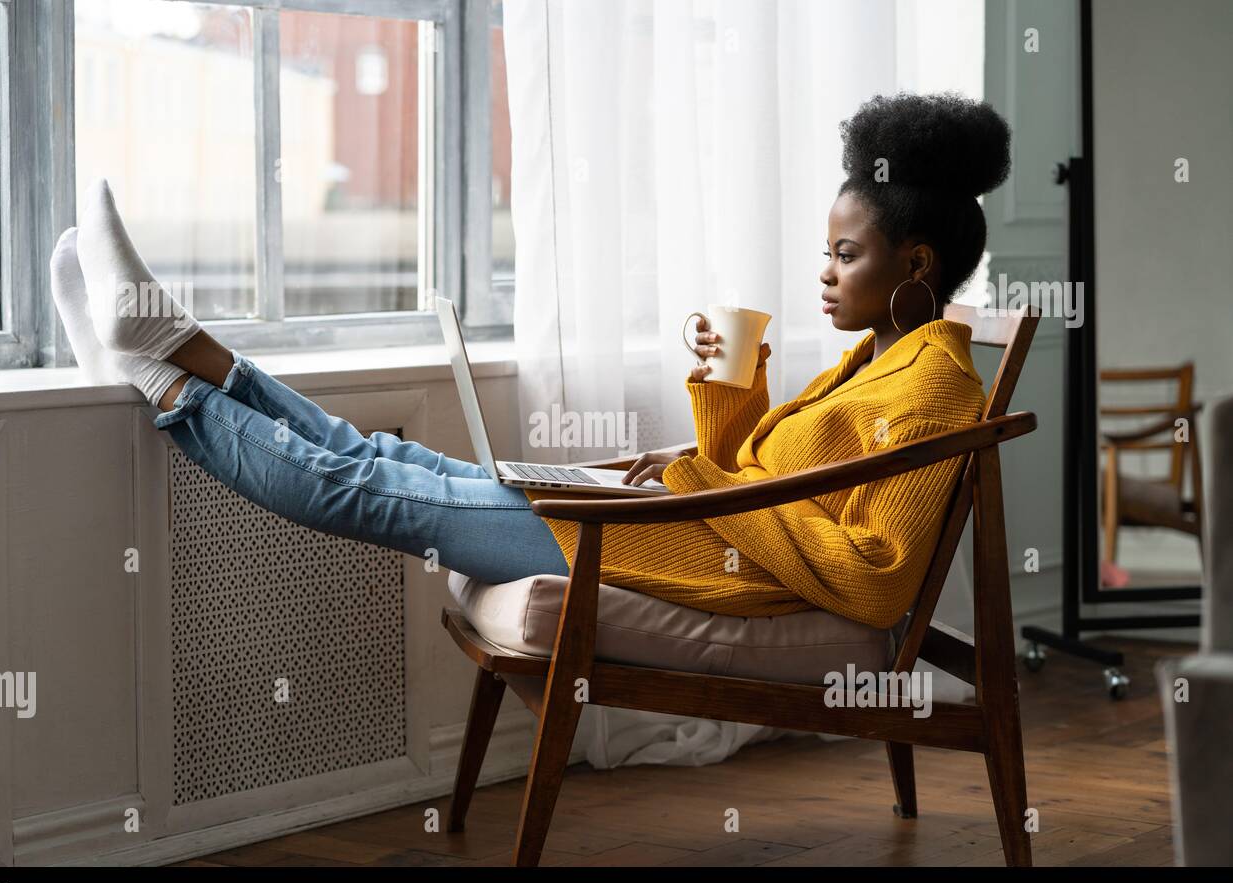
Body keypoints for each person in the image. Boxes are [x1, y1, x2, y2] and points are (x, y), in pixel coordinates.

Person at [51, 90, 1008, 630]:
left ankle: (164, 375)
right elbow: (766, 475)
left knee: (364, 487)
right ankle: (178, 348)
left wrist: (701, 480)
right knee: (384, 459)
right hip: (670, 520)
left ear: (915, 264)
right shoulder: (883, 356)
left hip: (678, 549)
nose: (825, 273)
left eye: (846, 256)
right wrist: (731, 393)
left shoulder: (934, 390)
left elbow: (877, 576)